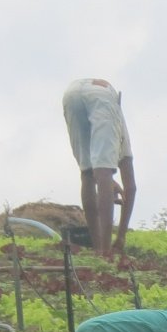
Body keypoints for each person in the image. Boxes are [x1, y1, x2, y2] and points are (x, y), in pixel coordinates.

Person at [61, 78, 136, 257]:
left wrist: (109, 183)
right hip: (101, 94)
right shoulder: (119, 127)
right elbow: (131, 188)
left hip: (71, 93)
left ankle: (98, 247)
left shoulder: (115, 127)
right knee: (103, 172)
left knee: (86, 172)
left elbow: (95, 172)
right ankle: (106, 251)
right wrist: (121, 237)